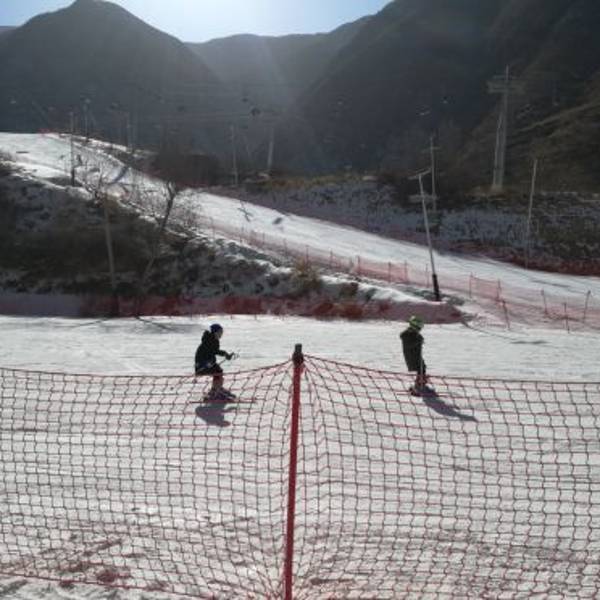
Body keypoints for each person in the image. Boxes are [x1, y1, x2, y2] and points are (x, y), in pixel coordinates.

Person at [194, 323, 235, 400]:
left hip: (208, 363)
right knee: (218, 372)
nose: (221, 334)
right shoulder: (209, 341)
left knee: (219, 371)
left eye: (222, 332)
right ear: (215, 332)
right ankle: (216, 392)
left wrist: (225, 354)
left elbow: (214, 351)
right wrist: (225, 354)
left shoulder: (213, 340)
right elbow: (212, 351)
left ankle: (216, 389)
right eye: (220, 332)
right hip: (202, 366)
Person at [400, 315, 430, 395]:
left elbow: (416, 339)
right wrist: (418, 341)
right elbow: (409, 344)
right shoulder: (407, 334)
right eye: (419, 327)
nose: (420, 329)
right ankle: (419, 385)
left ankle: (420, 382)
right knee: (420, 368)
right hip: (411, 355)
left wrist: (420, 339)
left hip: (416, 354)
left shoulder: (413, 333)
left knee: (422, 367)